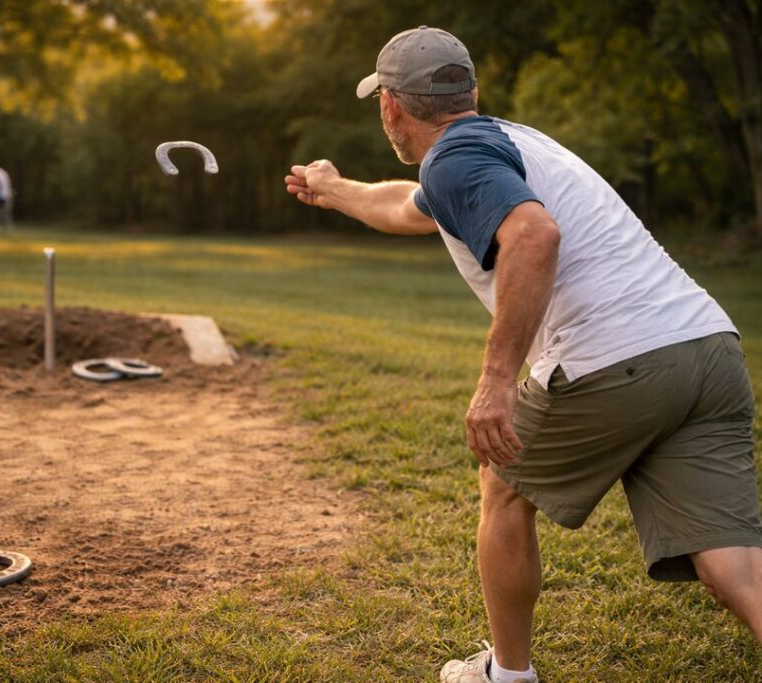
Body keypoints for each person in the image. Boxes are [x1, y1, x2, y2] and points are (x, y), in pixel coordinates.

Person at [285, 25, 761, 683]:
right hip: (706, 352)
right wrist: (332, 187)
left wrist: (498, 379)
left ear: (390, 105)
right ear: (470, 90)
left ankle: (506, 675)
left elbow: (533, 235)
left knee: (503, 488)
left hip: (616, 357)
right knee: (734, 564)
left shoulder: (458, 159)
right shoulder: (502, 146)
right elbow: (408, 207)